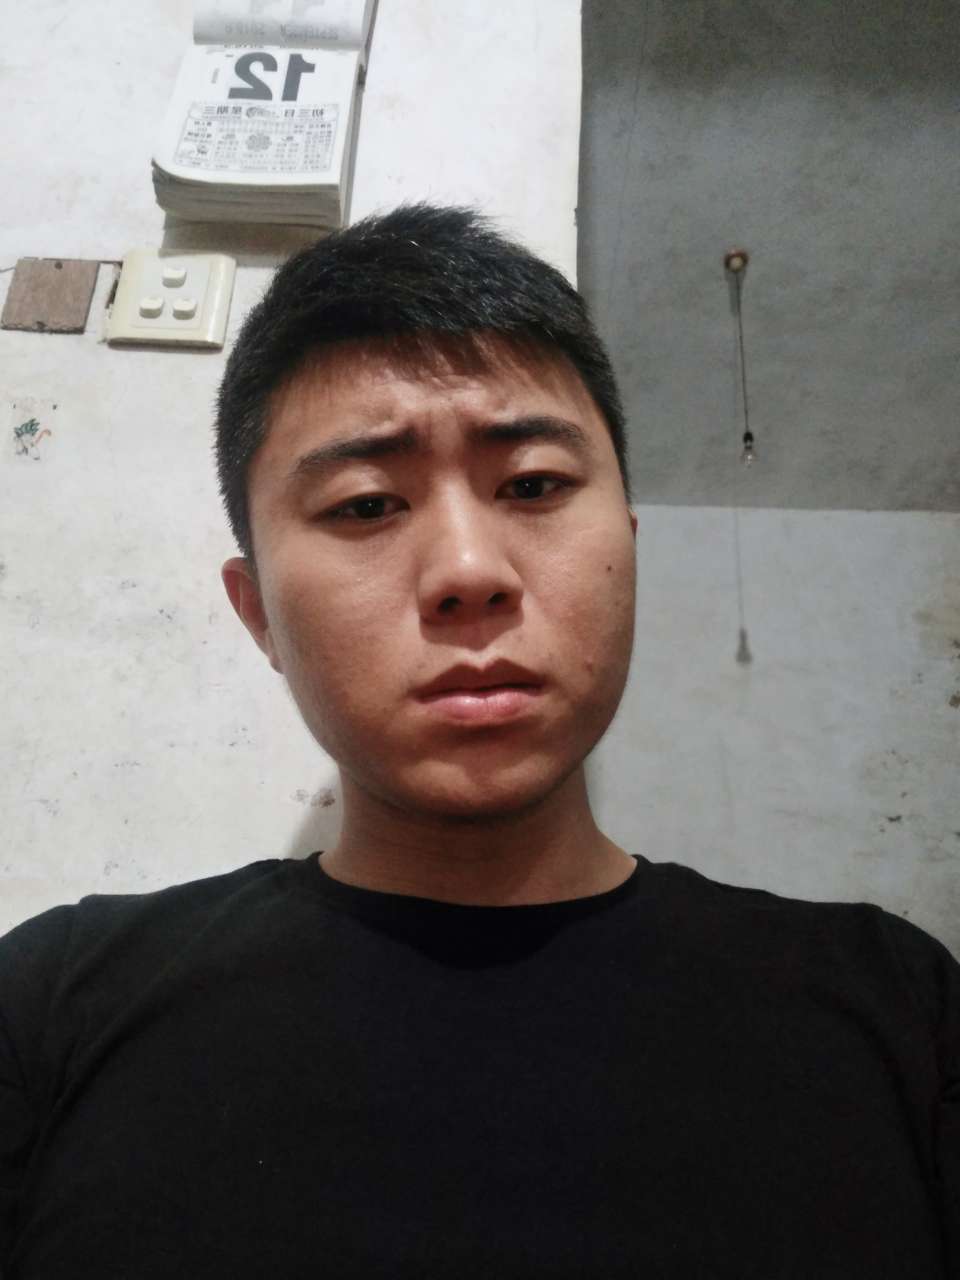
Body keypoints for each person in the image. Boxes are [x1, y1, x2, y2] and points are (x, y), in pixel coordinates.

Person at [0, 203, 957, 1278]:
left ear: (628, 548)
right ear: (258, 611)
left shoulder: (899, 1010)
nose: (469, 570)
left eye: (533, 485)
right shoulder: (56, 1006)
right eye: (367, 504)